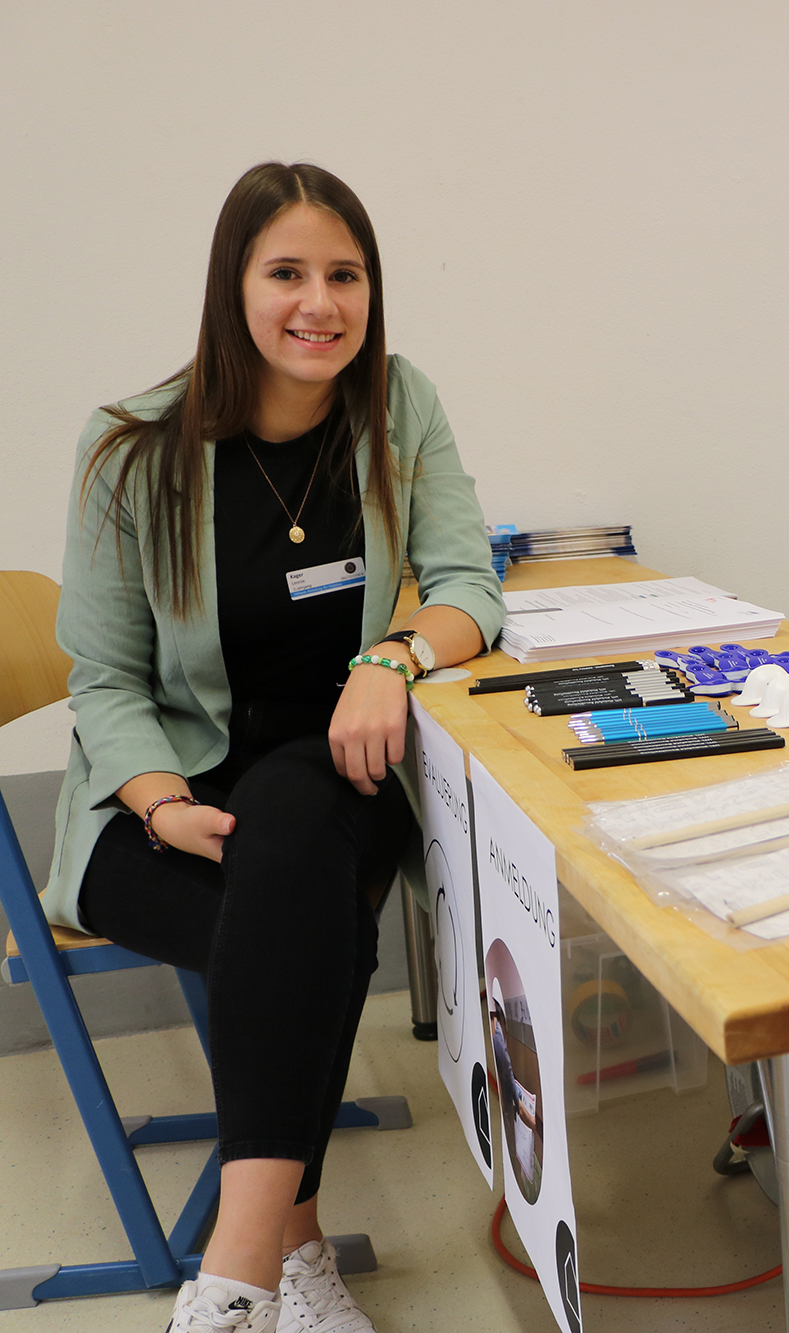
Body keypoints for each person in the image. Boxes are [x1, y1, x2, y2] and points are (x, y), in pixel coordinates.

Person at [50, 162, 505, 1332]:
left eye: (345, 275)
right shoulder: (131, 447)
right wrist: (160, 801)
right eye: (287, 273)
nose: (320, 303)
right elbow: (103, 679)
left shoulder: (396, 404)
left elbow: (467, 584)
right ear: (232, 287)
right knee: (310, 941)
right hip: (158, 798)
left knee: (297, 850)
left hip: (332, 771)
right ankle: (290, 1251)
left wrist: (390, 657)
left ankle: (232, 1277)